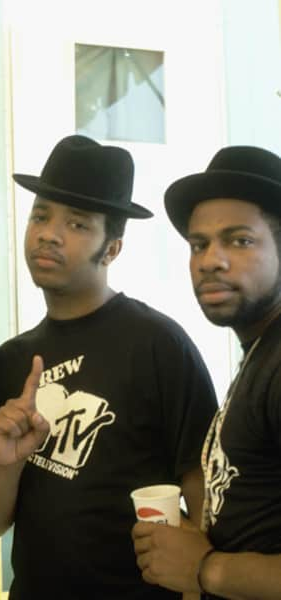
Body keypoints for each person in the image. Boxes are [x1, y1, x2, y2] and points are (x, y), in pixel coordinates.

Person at [0, 135, 218, 599]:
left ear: (112, 249)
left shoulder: (158, 345)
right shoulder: (12, 360)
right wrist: (9, 464)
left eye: (77, 224)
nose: (49, 233)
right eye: (40, 215)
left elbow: (205, 491)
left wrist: (203, 580)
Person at [132, 145, 281, 600]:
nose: (210, 260)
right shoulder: (261, 353)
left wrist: (205, 569)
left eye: (239, 240)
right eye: (199, 244)